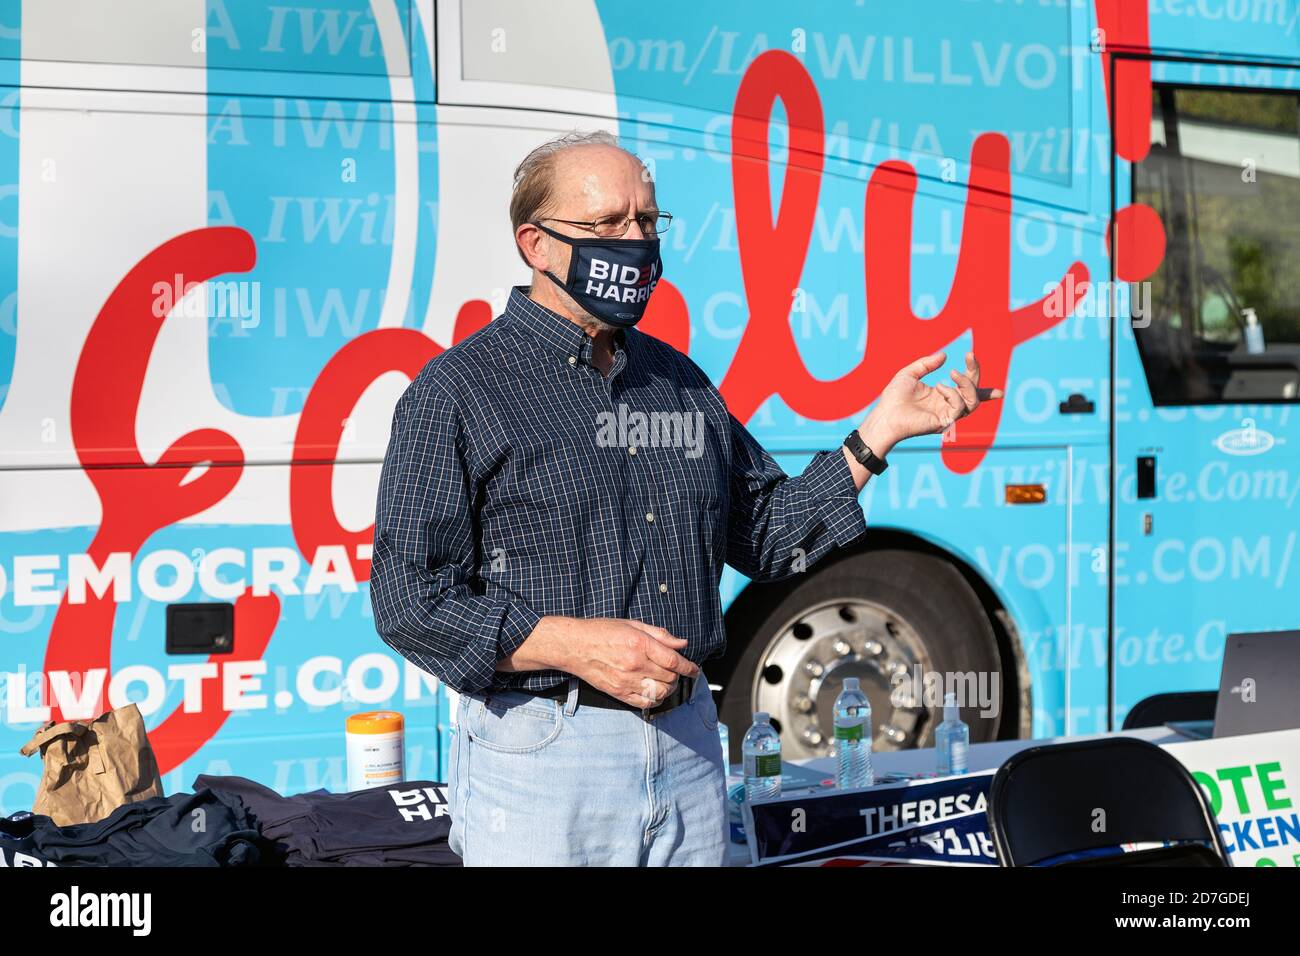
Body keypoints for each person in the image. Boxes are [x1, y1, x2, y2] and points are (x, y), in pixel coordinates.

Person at [369, 130, 1001, 866]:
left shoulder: (682, 383)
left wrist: (879, 434)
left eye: (646, 221)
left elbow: (767, 537)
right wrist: (576, 646)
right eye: (607, 224)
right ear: (535, 245)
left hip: (691, 747)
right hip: (545, 755)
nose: (633, 241)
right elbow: (410, 599)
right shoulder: (459, 392)